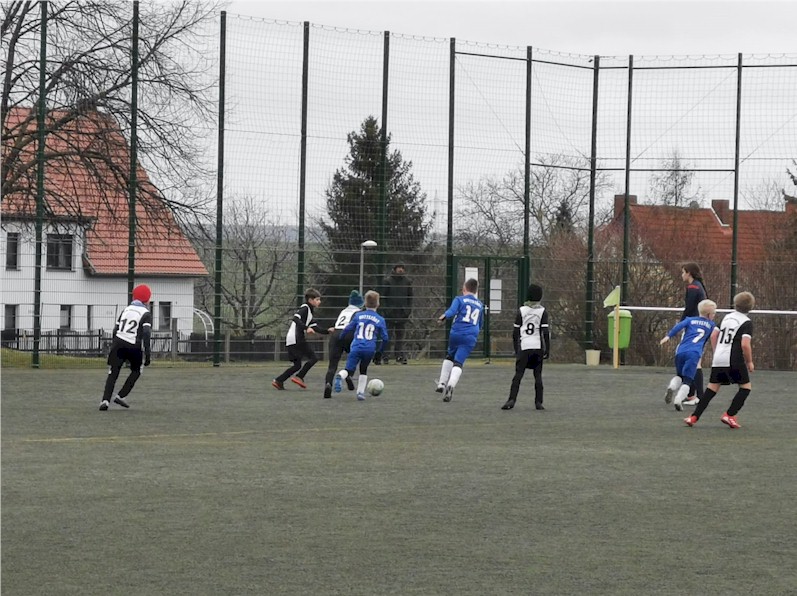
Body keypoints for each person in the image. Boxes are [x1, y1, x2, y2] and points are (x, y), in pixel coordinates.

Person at [684, 291, 755, 429]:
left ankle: (693, 417)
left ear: (735, 304)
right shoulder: (746, 322)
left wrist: (718, 350)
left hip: (719, 358)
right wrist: (750, 361)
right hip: (734, 358)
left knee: (712, 388)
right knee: (745, 387)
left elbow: (713, 335)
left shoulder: (726, 318)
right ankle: (730, 415)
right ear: (751, 307)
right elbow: (745, 344)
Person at [99, 284, 152, 410]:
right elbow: (146, 333)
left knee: (113, 372)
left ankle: (105, 400)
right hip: (134, 345)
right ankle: (121, 395)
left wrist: (114, 345)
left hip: (118, 343)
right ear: (147, 299)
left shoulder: (126, 310)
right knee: (137, 370)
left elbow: (115, 329)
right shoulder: (146, 313)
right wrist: (148, 354)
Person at [659, 299, 717, 411]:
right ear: (709, 315)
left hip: (680, 351)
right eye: (714, 313)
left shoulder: (690, 320)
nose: (714, 315)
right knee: (688, 380)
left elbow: (678, 327)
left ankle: (672, 387)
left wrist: (668, 336)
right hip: (694, 353)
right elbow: (715, 335)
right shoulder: (711, 324)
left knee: (679, 375)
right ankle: (678, 400)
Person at [501, 283, 550, 411]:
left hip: (525, 346)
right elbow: (545, 332)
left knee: (518, 375)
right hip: (537, 347)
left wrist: (517, 350)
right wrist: (547, 349)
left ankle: (511, 400)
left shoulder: (522, 311)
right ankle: (538, 402)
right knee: (538, 375)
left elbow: (515, 333)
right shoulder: (542, 311)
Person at [436, 278, 484, 403]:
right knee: (459, 362)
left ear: (464, 288)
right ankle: (451, 385)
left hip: (456, 333)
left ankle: (441, 383)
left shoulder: (459, 299)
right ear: (476, 290)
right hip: (470, 336)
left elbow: (452, 311)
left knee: (449, 356)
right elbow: (481, 323)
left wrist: (444, 316)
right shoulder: (480, 305)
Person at [334, 290, 389, 400]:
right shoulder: (380, 319)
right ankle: (360, 393)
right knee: (363, 369)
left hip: (356, 346)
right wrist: (380, 352)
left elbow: (347, 329)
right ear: (378, 304)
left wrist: (340, 338)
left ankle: (341, 375)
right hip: (369, 348)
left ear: (365, 303)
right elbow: (385, 338)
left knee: (349, 369)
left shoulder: (358, 316)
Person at [272, 288, 331, 390]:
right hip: (296, 338)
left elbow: (315, 327)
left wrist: (328, 331)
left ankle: (279, 381)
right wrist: (306, 328)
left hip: (291, 339)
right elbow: (295, 318)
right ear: (310, 300)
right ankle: (299, 377)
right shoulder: (305, 308)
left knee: (297, 365)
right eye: (317, 299)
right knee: (314, 358)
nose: (319, 302)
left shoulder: (309, 312)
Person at [323, 290, 363, 399]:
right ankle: (348, 375)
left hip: (336, 334)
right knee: (354, 357)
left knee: (332, 365)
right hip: (349, 334)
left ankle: (328, 384)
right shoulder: (358, 312)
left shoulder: (343, 311)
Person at [679, 262, 708, 406]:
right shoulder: (699, 286)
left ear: (688, 273)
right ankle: (693, 395)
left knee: (693, 362)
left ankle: (697, 396)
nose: (682, 275)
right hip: (701, 327)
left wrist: (681, 324)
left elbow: (689, 309)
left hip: (693, 328)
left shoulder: (693, 287)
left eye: (683, 272)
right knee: (694, 361)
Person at [377, 263, 413, 365]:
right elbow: (383, 296)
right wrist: (386, 310)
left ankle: (399, 356)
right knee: (387, 335)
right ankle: (385, 356)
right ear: (394, 269)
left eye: (402, 268)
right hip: (390, 313)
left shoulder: (407, 282)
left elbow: (410, 297)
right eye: (398, 268)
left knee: (400, 336)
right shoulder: (387, 281)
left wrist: (407, 310)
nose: (400, 270)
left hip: (402, 313)